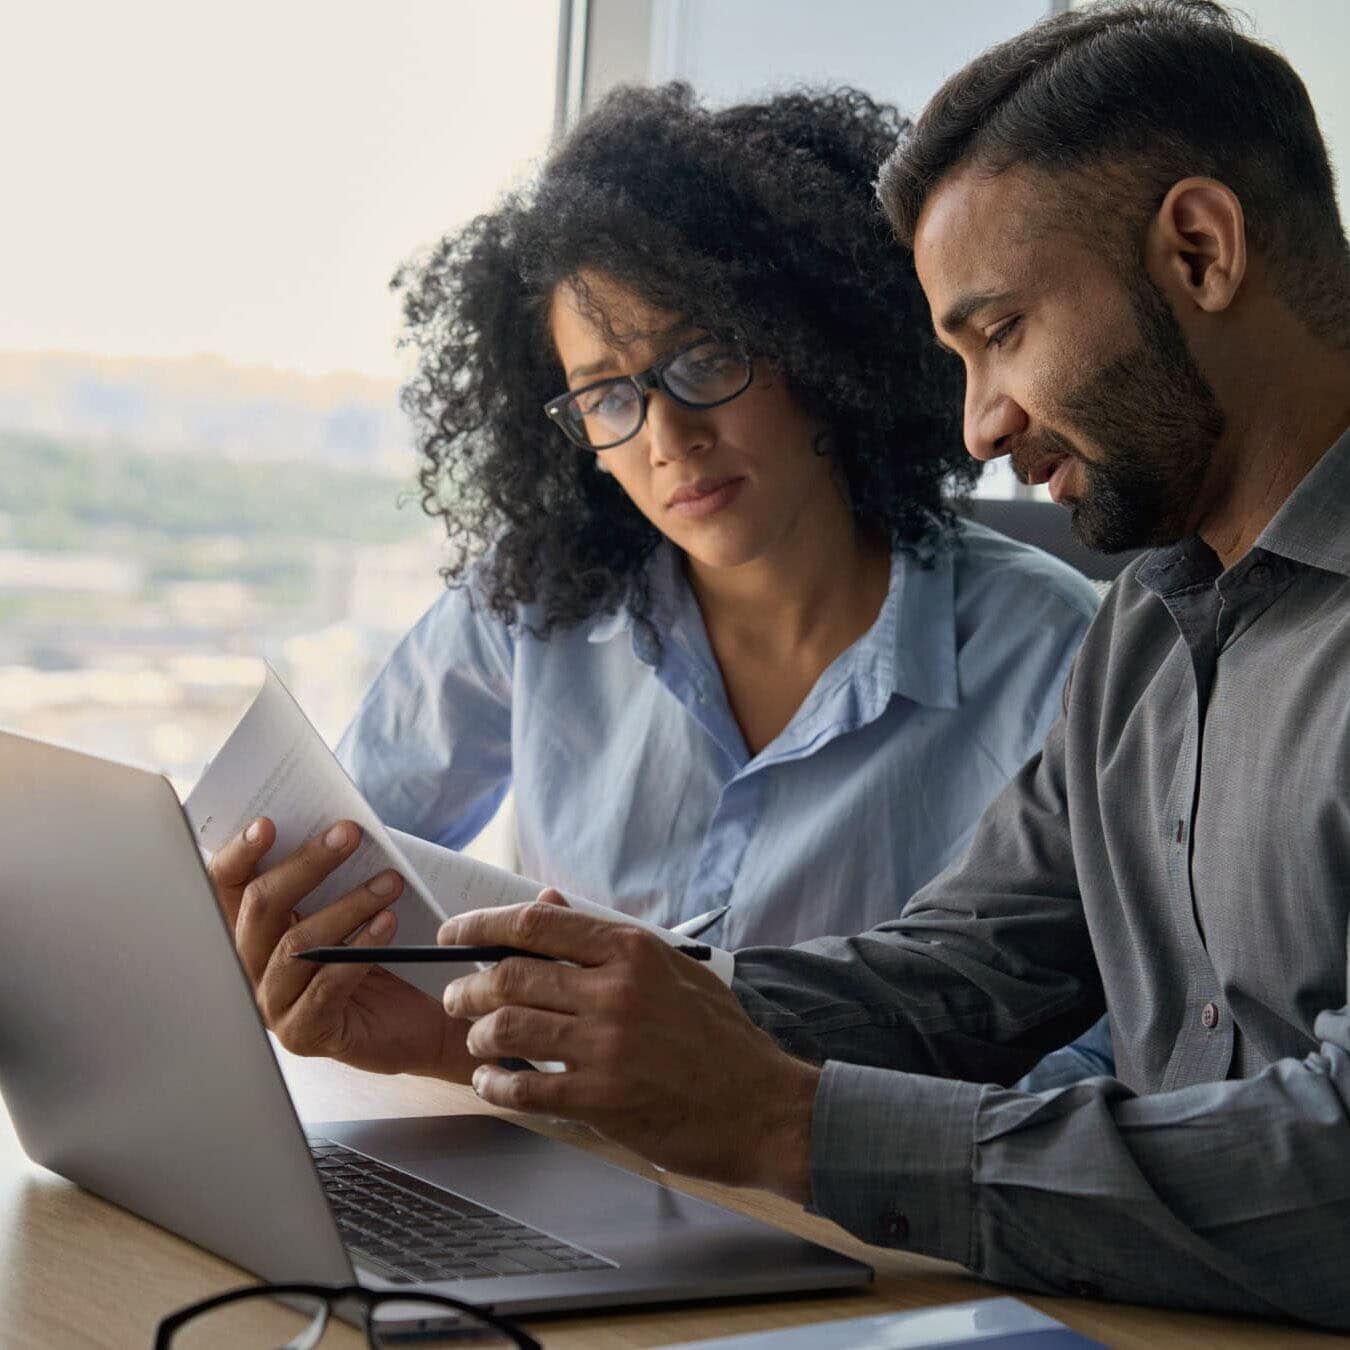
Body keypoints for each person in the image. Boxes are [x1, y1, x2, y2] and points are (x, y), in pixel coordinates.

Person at [370, 0, 1348, 1327]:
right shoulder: (1151, 631)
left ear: (1197, 247)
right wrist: (570, 1025)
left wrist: (796, 1128)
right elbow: (964, 971)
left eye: (1000, 333)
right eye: (953, 356)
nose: (981, 421)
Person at [331, 82, 1097, 957]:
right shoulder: (530, 608)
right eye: (606, 395)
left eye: (704, 359)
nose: (667, 436)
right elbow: (339, 852)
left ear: (821, 350)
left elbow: (1096, 1054)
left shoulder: (1051, 655)